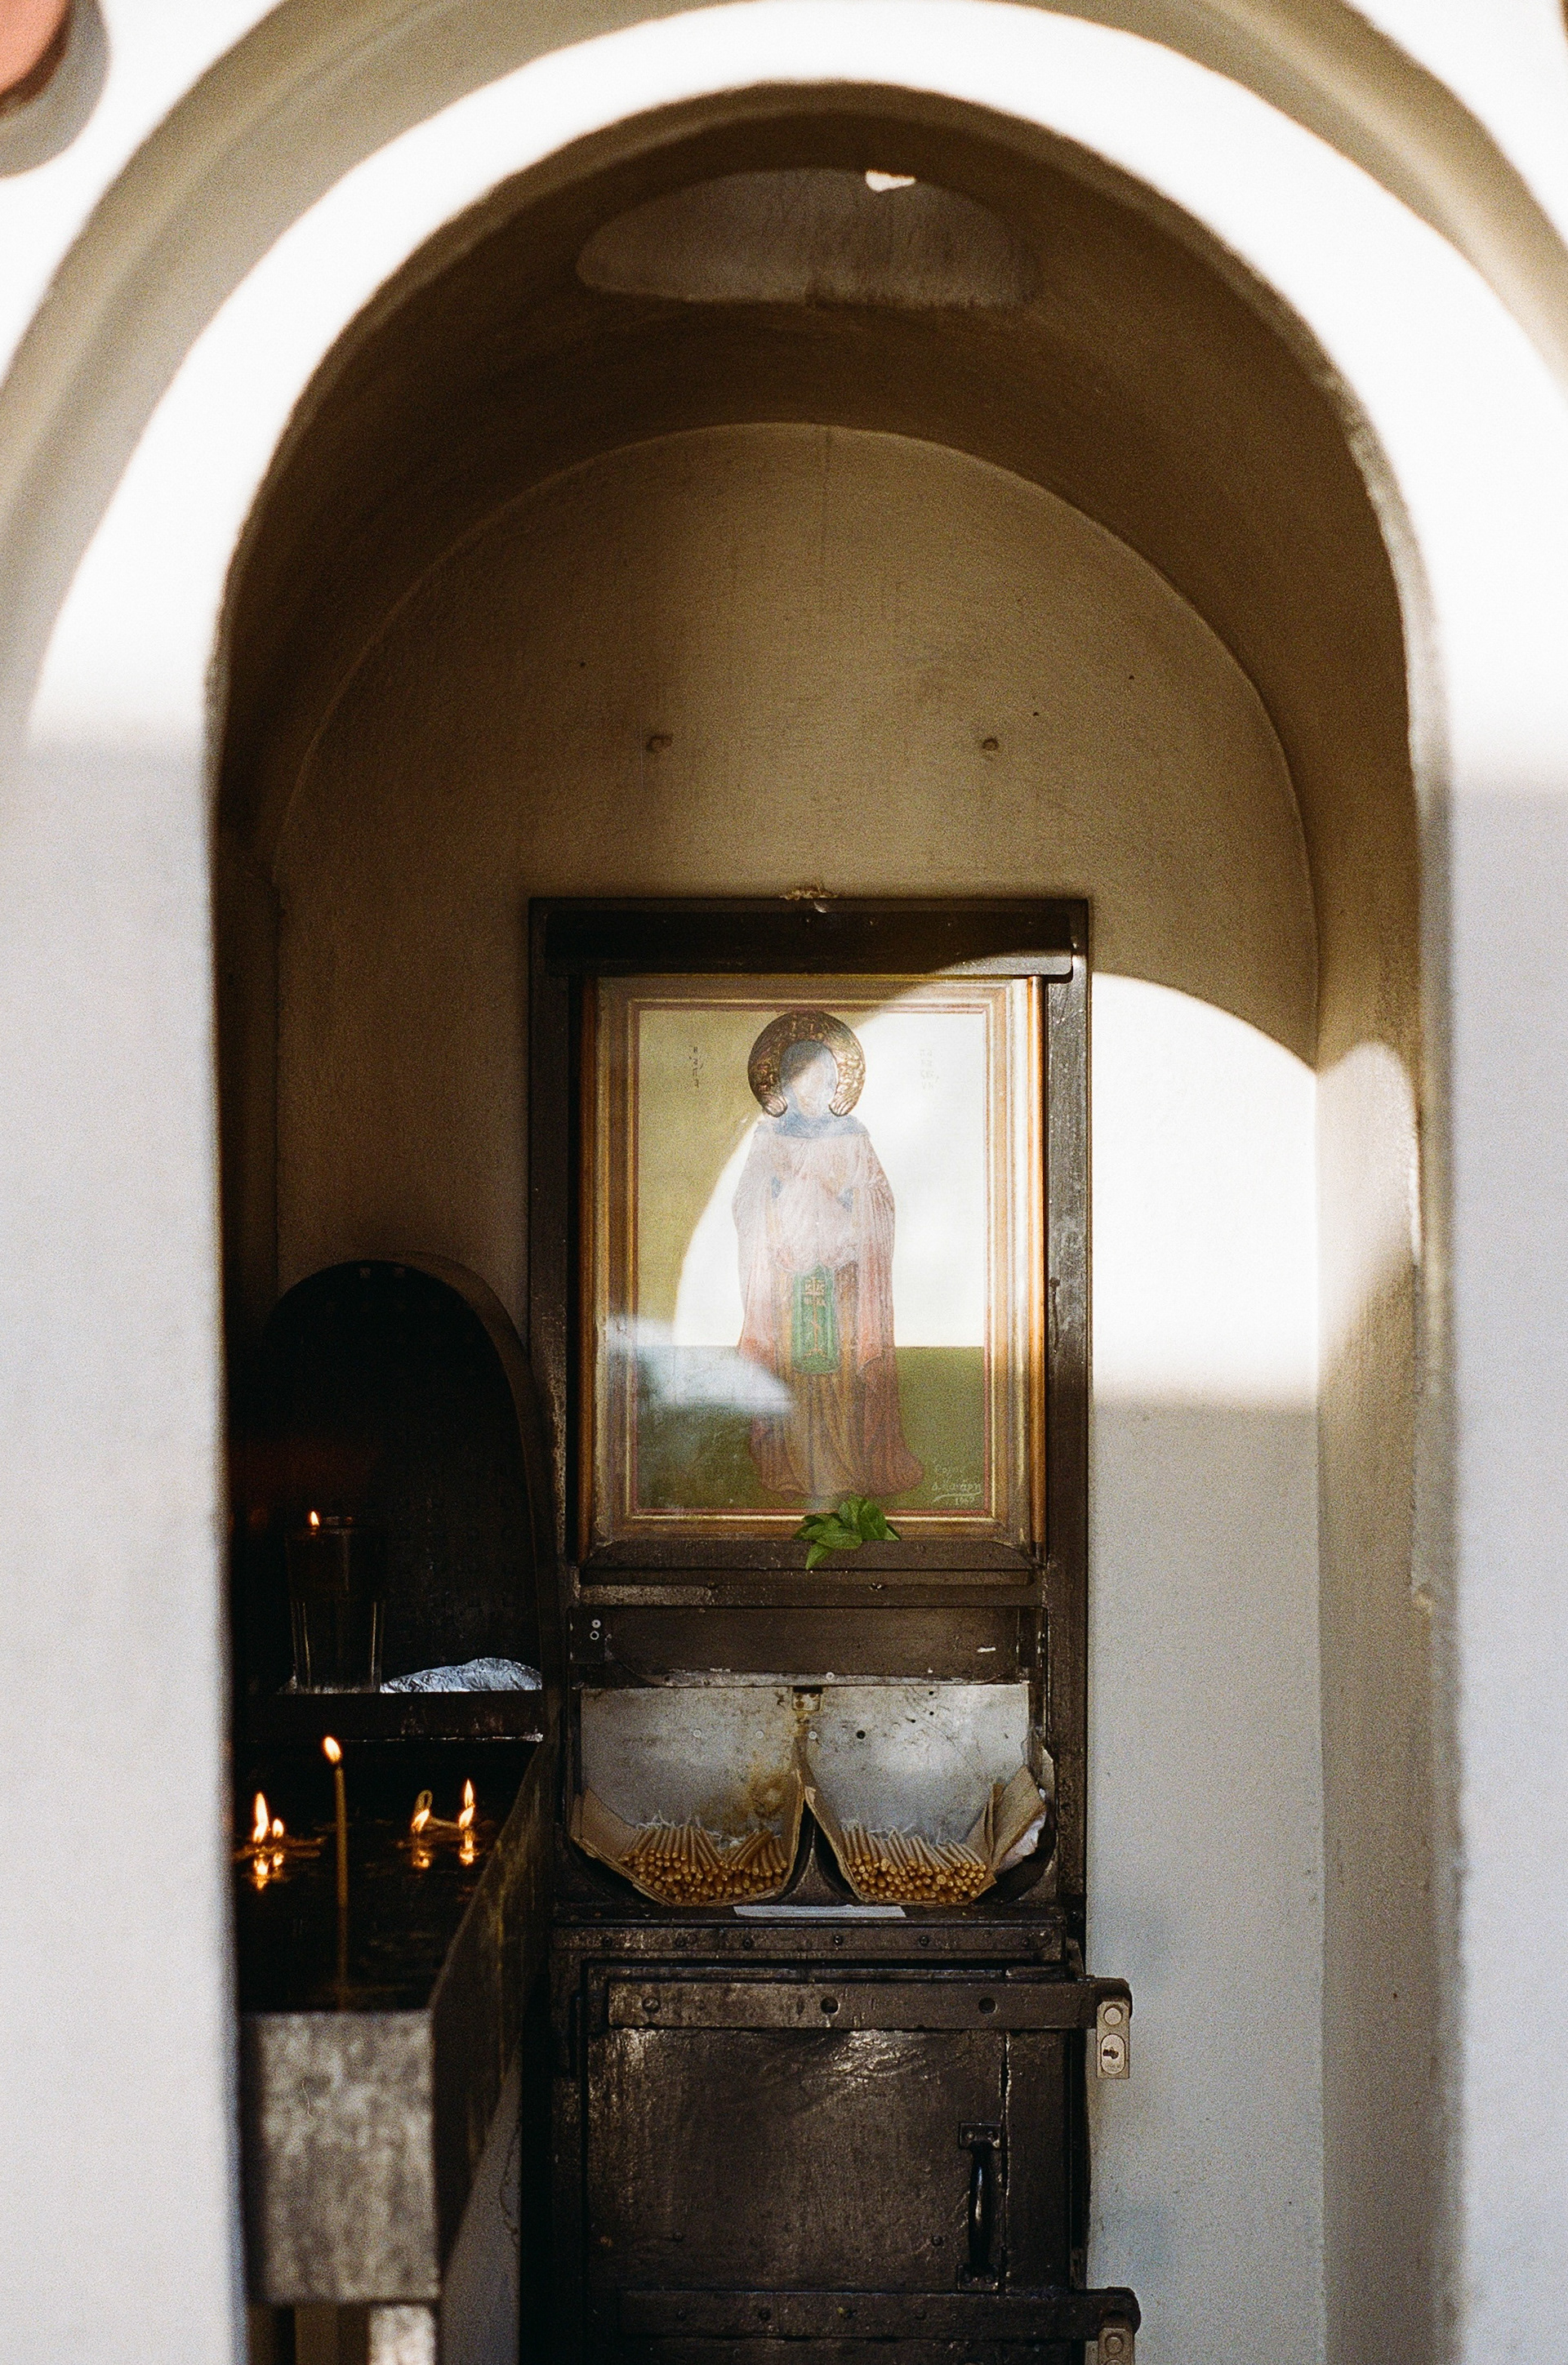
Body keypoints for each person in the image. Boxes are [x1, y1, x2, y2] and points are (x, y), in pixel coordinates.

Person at [733, 1011, 923, 1504]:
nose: (813, 1091)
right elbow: (748, 1200)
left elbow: (879, 1197)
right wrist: (778, 1194)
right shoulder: (769, 1136)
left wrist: (850, 1199)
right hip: (787, 1277)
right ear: (786, 1086)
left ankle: (843, 1472)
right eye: (802, 1081)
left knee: (839, 1376)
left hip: (841, 1277)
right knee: (795, 1373)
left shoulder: (854, 1136)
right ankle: (792, 1469)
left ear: (835, 1083)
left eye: (822, 1080)